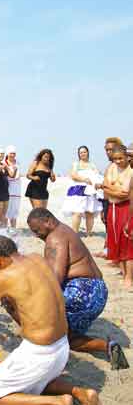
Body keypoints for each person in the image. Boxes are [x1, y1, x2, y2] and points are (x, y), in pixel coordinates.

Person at [0, 235, 101, 405]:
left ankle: (58, 402)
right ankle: (80, 392)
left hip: (41, 354)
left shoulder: (5, 276)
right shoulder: (37, 258)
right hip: (61, 347)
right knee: (33, 382)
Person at [27, 208, 129, 369]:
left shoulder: (54, 238)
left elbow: (55, 279)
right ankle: (108, 346)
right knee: (69, 337)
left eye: (37, 230)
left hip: (81, 292)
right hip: (99, 292)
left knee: (42, 319)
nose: (36, 235)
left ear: (48, 221)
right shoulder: (65, 230)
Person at [103, 144, 133, 287]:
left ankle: (129, 276)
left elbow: (126, 193)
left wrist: (110, 188)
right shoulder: (111, 168)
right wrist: (113, 189)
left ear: (127, 157)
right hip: (113, 207)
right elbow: (106, 186)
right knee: (116, 241)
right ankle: (123, 272)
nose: (118, 161)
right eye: (115, 159)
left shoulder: (131, 171)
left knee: (126, 240)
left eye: (121, 158)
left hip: (126, 208)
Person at [62, 146, 102, 236]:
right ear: (78, 154)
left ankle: (89, 233)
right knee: (77, 212)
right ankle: (75, 234)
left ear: (88, 153)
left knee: (90, 212)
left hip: (91, 190)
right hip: (78, 189)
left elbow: (97, 175)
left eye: (84, 152)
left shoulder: (92, 165)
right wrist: (84, 179)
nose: (83, 154)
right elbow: (73, 175)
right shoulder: (76, 164)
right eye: (81, 152)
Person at [5, 145, 21, 229]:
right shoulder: (4, 163)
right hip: (7, 191)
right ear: (7, 153)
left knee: (14, 212)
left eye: (14, 153)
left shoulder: (17, 163)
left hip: (17, 192)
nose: (12, 155)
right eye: (11, 153)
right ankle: (5, 229)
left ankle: (13, 229)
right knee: (6, 212)